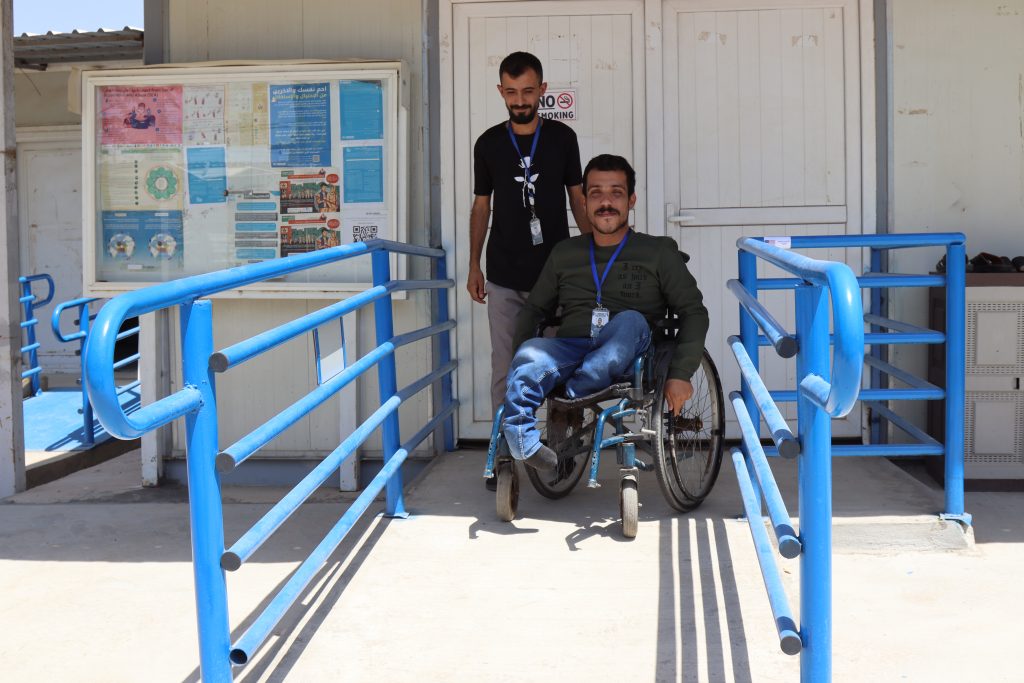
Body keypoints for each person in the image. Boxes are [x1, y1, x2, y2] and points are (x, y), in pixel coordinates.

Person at [501, 154, 709, 475]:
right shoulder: (565, 253)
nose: (606, 202)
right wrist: (520, 358)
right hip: (572, 348)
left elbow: (693, 312)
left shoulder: (658, 252)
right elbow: (534, 309)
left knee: (630, 320)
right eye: (596, 193)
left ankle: (572, 395)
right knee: (530, 353)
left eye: (616, 193)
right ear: (583, 202)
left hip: (631, 351)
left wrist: (681, 373)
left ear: (631, 200)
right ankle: (522, 440)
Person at [468, 51, 591, 420]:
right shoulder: (488, 143)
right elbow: (481, 207)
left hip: (557, 275)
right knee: (505, 368)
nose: (519, 101)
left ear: (542, 90)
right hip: (504, 276)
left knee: (560, 367)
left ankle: (562, 455)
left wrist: (594, 256)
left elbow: (578, 198)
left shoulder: (562, 138)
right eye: (511, 92)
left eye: (527, 91)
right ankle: (505, 455)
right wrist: (474, 265)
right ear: (500, 91)